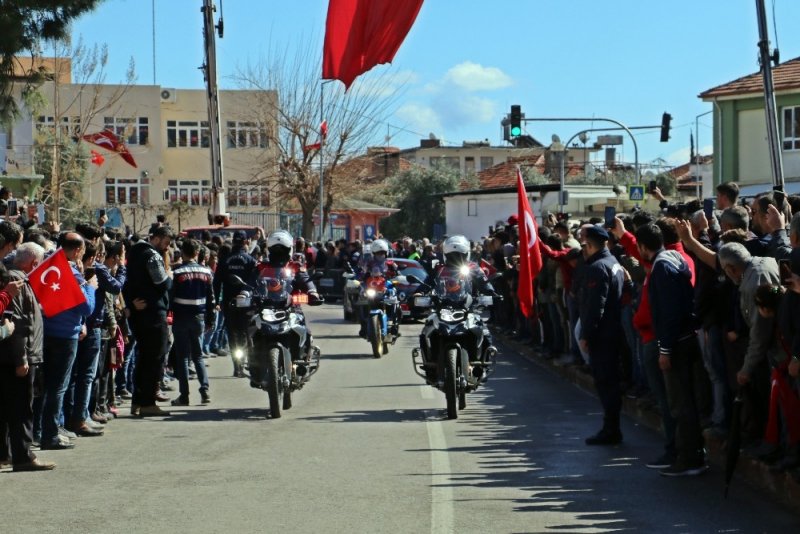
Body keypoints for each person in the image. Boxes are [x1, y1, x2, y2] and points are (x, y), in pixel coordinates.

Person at [636, 222, 708, 476]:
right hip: (686, 339)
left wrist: (664, 350)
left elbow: (669, 313)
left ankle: (689, 459)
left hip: (677, 344)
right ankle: (693, 454)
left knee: (680, 403)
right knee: (686, 401)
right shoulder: (672, 259)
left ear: (643, 247)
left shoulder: (662, 268)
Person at [40, 233, 96, 449]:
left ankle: (45, 430)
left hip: (47, 331)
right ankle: (50, 434)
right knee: (57, 387)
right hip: (65, 335)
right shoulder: (71, 273)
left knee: (48, 386)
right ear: (78, 251)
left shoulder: (47, 267)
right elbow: (86, 308)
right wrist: (90, 286)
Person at [577, 225, 626, 446]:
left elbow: (596, 306)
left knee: (606, 383)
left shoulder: (597, 268)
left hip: (603, 335)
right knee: (610, 382)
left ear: (589, 244)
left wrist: (586, 334)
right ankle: (611, 427)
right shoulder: (613, 262)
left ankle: (611, 429)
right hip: (613, 330)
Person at [123, 226, 173, 417]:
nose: (167, 247)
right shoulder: (152, 256)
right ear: (157, 239)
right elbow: (161, 282)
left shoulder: (135, 253)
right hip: (153, 312)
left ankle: (138, 400)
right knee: (155, 357)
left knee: (144, 358)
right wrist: (169, 279)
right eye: (166, 243)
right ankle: (147, 402)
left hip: (140, 311)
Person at [170, 239, 215, 406]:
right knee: (198, 355)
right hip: (199, 318)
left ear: (182, 253)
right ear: (197, 253)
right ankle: (205, 390)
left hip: (180, 318)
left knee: (182, 357)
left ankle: (184, 395)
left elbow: (170, 297)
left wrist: (169, 315)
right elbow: (211, 299)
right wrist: (210, 320)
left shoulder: (177, 272)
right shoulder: (207, 272)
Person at [214, 230, 258, 377]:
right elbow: (256, 283)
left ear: (233, 242)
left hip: (229, 303)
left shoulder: (224, 260)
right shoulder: (251, 260)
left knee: (232, 335)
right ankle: (247, 363)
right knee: (247, 334)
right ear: (245, 242)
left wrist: (216, 301)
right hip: (247, 304)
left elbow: (216, 283)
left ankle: (237, 366)